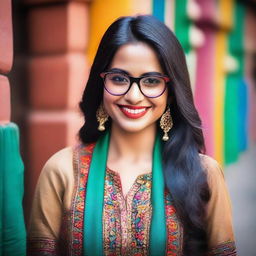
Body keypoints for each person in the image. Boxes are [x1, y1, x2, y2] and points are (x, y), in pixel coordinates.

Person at [27, 15, 236, 256]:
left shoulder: (204, 174)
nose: (134, 96)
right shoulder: (62, 170)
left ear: (171, 91)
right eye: (119, 78)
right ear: (101, 82)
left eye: (151, 81)